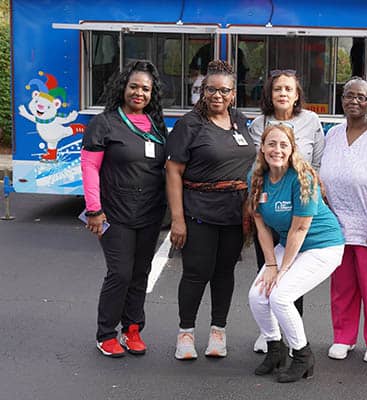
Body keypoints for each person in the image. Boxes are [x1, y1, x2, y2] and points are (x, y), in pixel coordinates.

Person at [166, 60, 256, 360]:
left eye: (224, 90)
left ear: (234, 93)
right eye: (211, 89)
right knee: (195, 273)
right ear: (202, 91)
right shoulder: (189, 124)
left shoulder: (240, 120)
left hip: (234, 213)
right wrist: (177, 219)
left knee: (224, 274)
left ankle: (219, 332)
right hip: (198, 210)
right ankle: (186, 335)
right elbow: (174, 171)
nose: (218, 95)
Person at [81, 60, 168, 358]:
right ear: (123, 88)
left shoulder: (156, 125)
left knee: (140, 272)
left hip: (150, 213)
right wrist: (94, 210)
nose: (139, 93)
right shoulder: (104, 123)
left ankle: (132, 329)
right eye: (134, 86)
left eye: (145, 88)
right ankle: (105, 333)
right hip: (114, 213)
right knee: (119, 272)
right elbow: (90, 167)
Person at [247, 124, 344, 383]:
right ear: (263, 147)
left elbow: (299, 230)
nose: (276, 149)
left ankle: (302, 356)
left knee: (280, 296)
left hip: (323, 245)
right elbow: (261, 226)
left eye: (283, 145)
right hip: (289, 245)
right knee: (257, 295)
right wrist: (270, 265)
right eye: (271, 144)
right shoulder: (256, 177)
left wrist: (282, 270)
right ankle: (275, 349)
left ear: (292, 150)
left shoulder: (303, 178)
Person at [319, 77, 367, 363]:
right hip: (338, 227)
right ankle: (344, 337)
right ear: (341, 99)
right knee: (342, 287)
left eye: (360, 97)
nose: (354, 101)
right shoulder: (333, 134)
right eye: (348, 96)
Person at [248, 68, 325, 353]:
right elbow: (260, 163)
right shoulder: (258, 124)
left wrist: (310, 190)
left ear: (296, 95)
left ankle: (294, 333)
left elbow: (317, 161)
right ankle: (269, 333)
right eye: (277, 88)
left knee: (292, 271)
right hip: (269, 206)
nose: (282, 93)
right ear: (269, 94)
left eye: (288, 89)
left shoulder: (311, 121)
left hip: (299, 207)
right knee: (268, 265)